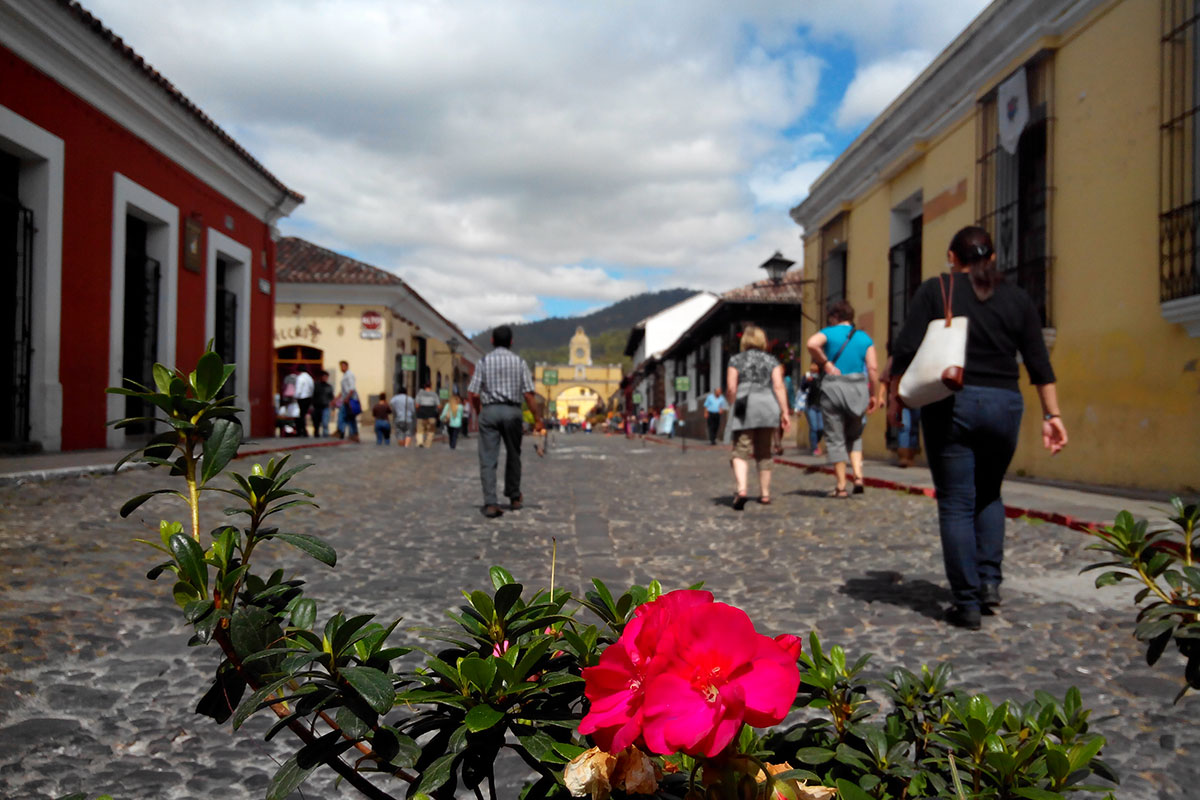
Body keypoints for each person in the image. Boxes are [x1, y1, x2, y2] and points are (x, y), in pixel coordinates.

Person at [888, 225, 1067, 630]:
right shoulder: (1017, 298)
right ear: (992, 258)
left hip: (955, 403)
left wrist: (894, 400)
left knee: (955, 502)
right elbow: (1039, 364)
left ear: (953, 258)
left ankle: (966, 603)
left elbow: (905, 348)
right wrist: (1053, 417)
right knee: (989, 494)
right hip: (1006, 404)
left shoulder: (937, 290)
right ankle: (989, 583)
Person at [806, 301, 879, 498]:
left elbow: (811, 343)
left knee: (836, 437)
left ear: (833, 316)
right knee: (854, 435)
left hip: (833, 389)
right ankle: (858, 476)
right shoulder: (864, 338)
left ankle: (841, 486)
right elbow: (872, 369)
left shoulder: (828, 333)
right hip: (857, 389)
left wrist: (826, 363)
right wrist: (875, 394)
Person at [468, 325, 541, 518]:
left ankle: (491, 502)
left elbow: (474, 393)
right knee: (514, 454)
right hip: (512, 411)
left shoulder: (483, 362)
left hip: (489, 411)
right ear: (511, 342)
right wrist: (537, 419)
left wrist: (480, 411)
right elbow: (528, 394)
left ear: (492, 341)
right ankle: (514, 496)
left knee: (488, 458)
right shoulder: (520, 363)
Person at [726, 324, 791, 509]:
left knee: (740, 449)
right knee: (764, 451)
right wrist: (784, 411)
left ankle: (742, 490)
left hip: (743, 401)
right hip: (767, 403)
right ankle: (765, 494)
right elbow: (778, 387)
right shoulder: (772, 361)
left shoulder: (736, 360)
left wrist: (733, 404)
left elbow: (731, 388)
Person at [798, 363, 824, 455]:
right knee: (814, 427)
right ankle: (814, 448)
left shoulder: (822, 376)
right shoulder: (807, 376)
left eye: (815, 365)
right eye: (812, 365)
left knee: (821, 428)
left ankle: (817, 443)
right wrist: (807, 382)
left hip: (821, 406)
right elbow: (802, 388)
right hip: (810, 405)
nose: (813, 367)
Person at [337, 360, 360, 442]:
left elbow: (351, 388)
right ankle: (347, 432)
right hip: (346, 398)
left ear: (347, 366)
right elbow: (343, 390)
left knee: (345, 416)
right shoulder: (345, 375)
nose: (341, 368)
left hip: (350, 399)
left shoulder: (349, 375)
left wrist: (347, 398)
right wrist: (337, 398)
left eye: (343, 366)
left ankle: (345, 432)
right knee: (347, 416)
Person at [414, 381, 441, 448]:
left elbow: (417, 405)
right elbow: (439, 406)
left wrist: (418, 411)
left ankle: (420, 442)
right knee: (431, 430)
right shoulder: (434, 394)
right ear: (431, 387)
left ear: (424, 387)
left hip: (421, 414)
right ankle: (428, 444)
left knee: (420, 429)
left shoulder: (419, 394)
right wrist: (437, 412)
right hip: (431, 415)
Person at [312, 370, 334, 437]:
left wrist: (332, 407)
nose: (325, 378)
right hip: (317, 406)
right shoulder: (316, 385)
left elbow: (331, 397)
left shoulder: (329, 387)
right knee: (316, 422)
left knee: (325, 422)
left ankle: (325, 435)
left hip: (325, 406)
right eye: (324, 376)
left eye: (326, 377)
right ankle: (316, 433)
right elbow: (313, 395)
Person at [294, 367, 314, 437]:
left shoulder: (300, 378)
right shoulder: (309, 378)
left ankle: (300, 431)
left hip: (301, 398)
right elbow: (312, 388)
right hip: (308, 398)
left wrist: (295, 397)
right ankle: (304, 431)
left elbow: (298, 389)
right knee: (303, 415)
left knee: (299, 416)